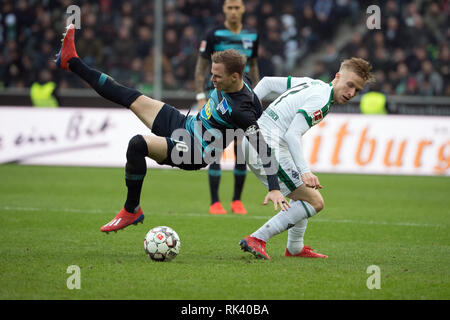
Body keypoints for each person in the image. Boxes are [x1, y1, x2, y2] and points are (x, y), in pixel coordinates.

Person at [55, 24, 289, 233]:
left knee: (137, 144)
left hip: (194, 150)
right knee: (129, 96)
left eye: (217, 77)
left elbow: (262, 146)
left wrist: (274, 188)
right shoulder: (241, 79)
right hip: (185, 124)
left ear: (235, 77)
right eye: (212, 74)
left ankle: (131, 209)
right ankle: (72, 61)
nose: (212, 80)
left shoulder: (241, 110)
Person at [239, 57, 374, 260]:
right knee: (315, 202)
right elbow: (292, 134)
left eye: (357, 90)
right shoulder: (322, 100)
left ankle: (295, 247)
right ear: (337, 77)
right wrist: (305, 171)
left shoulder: (312, 83)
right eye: (350, 85)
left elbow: (265, 82)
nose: (351, 93)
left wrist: (247, 114)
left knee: (304, 195)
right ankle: (257, 238)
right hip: (266, 145)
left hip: (259, 139)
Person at [195, 0, 260, 215]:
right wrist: (200, 96)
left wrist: (255, 97)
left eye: (236, 7)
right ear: (224, 10)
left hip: (241, 98)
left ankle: (236, 201)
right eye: (229, 7)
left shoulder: (252, 36)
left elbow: (254, 68)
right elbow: (200, 69)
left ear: (243, 9)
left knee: (241, 149)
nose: (233, 11)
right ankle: (215, 202)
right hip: (218, 97)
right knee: (215, 147)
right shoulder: (213, 34)